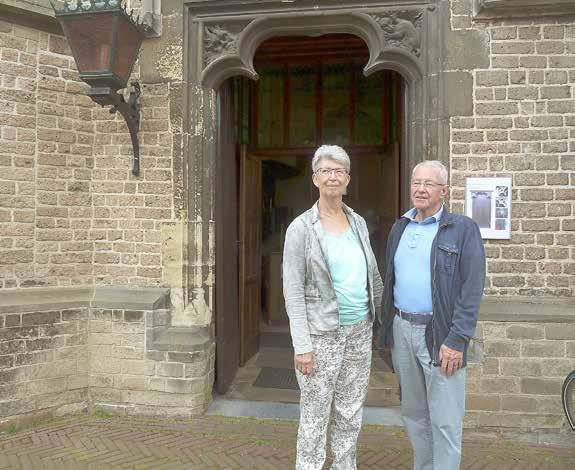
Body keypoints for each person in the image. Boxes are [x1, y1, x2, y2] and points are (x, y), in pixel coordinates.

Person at [377, 160, 485, 470]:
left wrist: (457, 339)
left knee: (445, 419)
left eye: (429, 184)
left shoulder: (463, 229)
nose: (420, 189)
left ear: (443, 191)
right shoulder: (400, 227)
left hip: (440, 335)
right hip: (402, 328)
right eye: (416, 182)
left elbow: (472, 289)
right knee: (414, 414)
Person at [283, 145, 383, 470]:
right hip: (321, 336)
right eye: (326, 170)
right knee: (315, 416)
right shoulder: (301, 229)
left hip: (359, 332)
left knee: (350, 412)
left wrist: (384, 321)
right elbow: (293, 291)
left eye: (339, 171)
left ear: (347, 179)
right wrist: (302, 346)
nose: (332, 176)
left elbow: (373, 275)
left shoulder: (358, 223)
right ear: (315, 179)